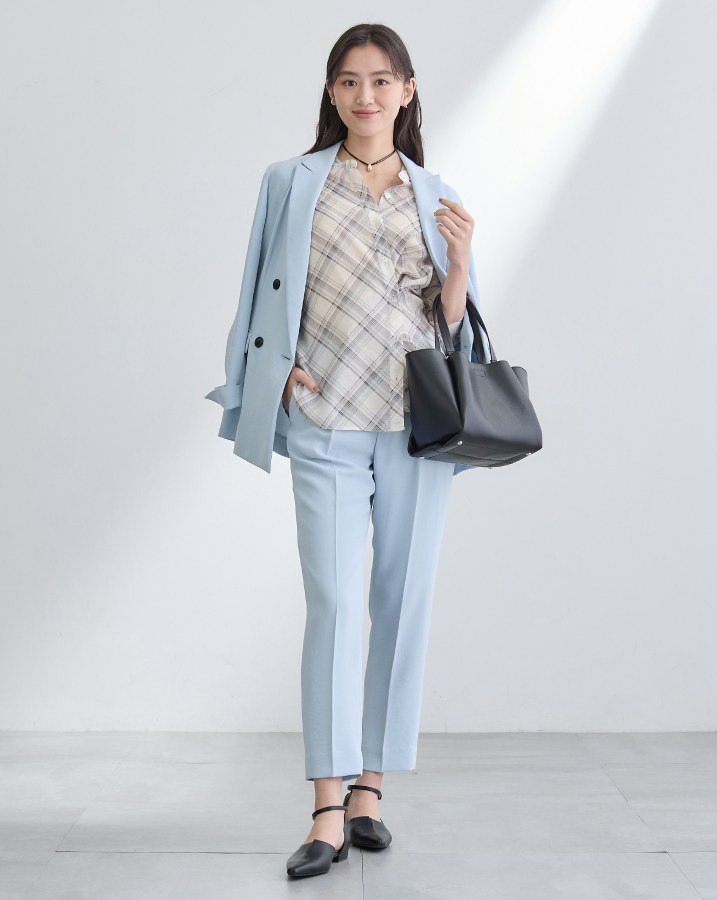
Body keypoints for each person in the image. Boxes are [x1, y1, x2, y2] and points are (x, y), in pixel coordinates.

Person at [205, 23, 482, 880]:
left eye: (381, 80)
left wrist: (461, 264)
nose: (366, 95)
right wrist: (273, 372)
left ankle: (370, 791)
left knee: (402, 602)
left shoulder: (435, 192)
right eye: (350, 81)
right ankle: (327, 804)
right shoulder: (290, 182)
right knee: (333, 602)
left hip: (416, 426)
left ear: (407, 91)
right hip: (326, 419)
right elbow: (257, 288)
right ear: (332, 92)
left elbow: (452, 322)